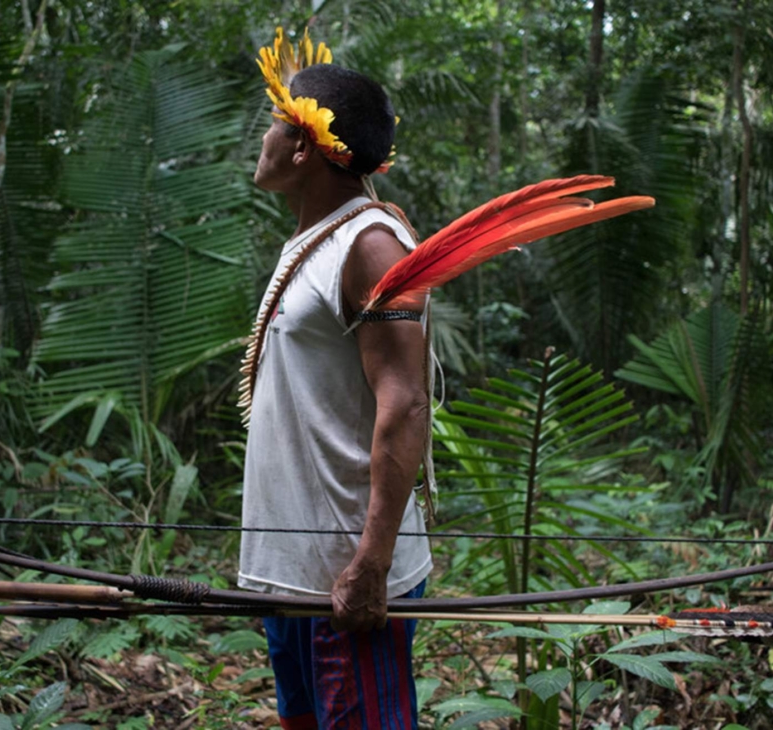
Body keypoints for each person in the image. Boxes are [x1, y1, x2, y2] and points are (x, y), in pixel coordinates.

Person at [237, 28, 434, 730]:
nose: (260, 138)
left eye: (272, 122)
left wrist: (371, 566)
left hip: (344, 579)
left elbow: (406, 404)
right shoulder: (316, 240)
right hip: (295, 575)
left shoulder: (369, 243)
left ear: (300, 144)